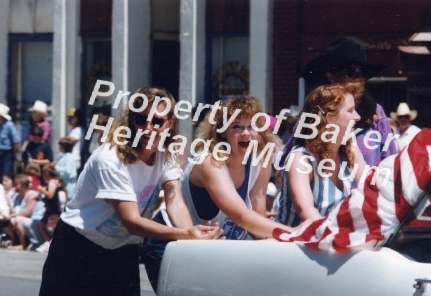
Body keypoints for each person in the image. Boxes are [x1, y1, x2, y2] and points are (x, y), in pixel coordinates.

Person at [39, 87, 222, 296]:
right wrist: (185, 234)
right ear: (131, 121)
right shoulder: (110, 158)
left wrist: (193, 238)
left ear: (170, 123)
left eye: (157, 122)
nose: (148, 128)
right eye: (141, 120)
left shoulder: (167, 154)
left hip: (121, 250)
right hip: (78, 247)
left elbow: (174, 199)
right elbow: (131, 221)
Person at [142, 96, 295, 292]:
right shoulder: (210, 162)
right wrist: (293, 233)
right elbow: (239, 215)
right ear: (222, 132)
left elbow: (257, 210)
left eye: (251, 126)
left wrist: (270, 243)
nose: (246, 133)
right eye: (237, 127)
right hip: (171, 246)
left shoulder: (260, 159)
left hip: (212, 249)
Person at [276, 82, 368, 227]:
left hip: (330, 243)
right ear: (329, 118)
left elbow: (371, 191)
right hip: (295, 246)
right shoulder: (300, 159)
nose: (358, 117)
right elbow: (306, 212)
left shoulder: (349, 151)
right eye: (350, 111)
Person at [302, 36, 397, 166]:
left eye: (362, 71)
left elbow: (391, 161)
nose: (357, 77)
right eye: (350, 71)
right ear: (330, 75)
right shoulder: (316, 109)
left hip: (365, 183)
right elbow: (294, 154)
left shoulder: (376, 112)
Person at [35, 165, 64, 253]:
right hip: (50, 209)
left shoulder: (52, 182)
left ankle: (52, 244)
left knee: (53, 228)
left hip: (53, 210)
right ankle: (49, 242)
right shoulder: (52, 183)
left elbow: (50, 195)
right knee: (42, 225)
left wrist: (41, 189)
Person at [0, 103, 21, 181]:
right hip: (1, 151)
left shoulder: (9, 125)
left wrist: (14, 153)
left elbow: (16, 141)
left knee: (7, 173)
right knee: (0, 172)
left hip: (8, 152)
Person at [54, 136, 77, 203]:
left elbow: (68, 171)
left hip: (69, 187)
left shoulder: (69, 158)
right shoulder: (63, 157)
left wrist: (55, 168)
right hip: (63, 186)